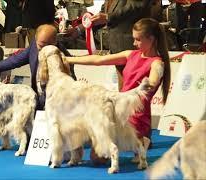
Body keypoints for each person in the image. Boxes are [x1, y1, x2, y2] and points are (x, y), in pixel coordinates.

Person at [66, 18, 171, 163]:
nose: (134, 43)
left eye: (138, 40)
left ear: (151, 39)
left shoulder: (157, 63)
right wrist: (68, 59)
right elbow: (98, 60)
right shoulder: (130, 54)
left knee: (99, 156)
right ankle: (136, 143)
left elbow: (153, 81)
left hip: (136, 114)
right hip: (118, 109)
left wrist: (150, 83)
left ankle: (141, 140)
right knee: (97, 157)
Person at [0, 24, 75, 110]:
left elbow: (65, 87)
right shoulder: (34, 46)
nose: (44, 49)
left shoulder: (62, 56)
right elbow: (15, 60)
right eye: (41, 45)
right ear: (35, 38)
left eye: (48, 45)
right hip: (38, 100)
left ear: (55, 41)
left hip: (57, 105)